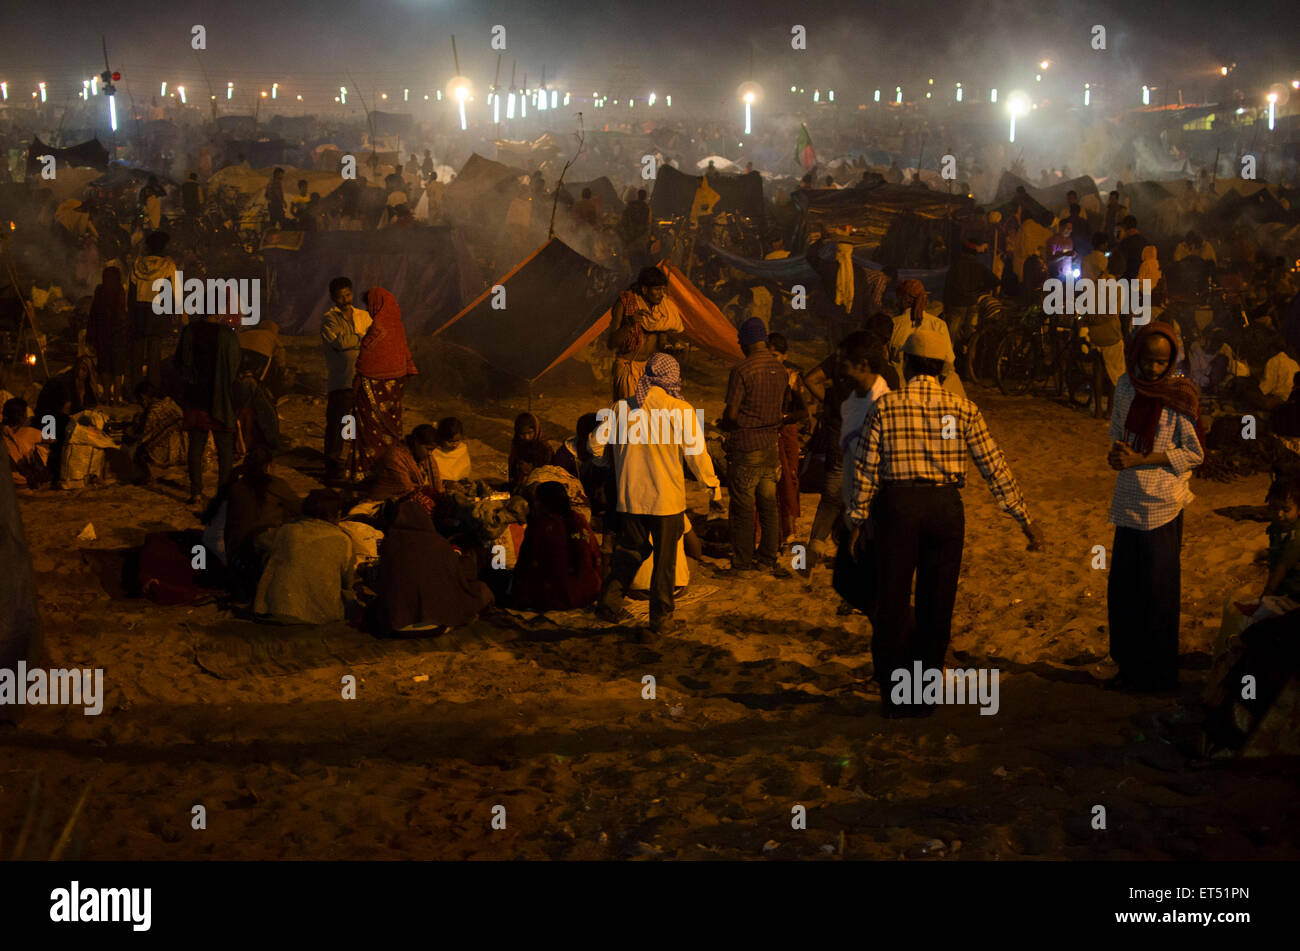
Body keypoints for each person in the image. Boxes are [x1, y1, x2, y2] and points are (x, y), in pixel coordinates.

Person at [845, 330, 1043, 717]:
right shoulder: (963, 408)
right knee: (938, 605)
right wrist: (1024, 518)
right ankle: (922, 698)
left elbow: (865, 470)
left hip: (898, 506)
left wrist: (857, 521)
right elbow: (993, 466)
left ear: (906, 363)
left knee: (893, 603)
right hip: (944, 508)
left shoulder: (885, 407)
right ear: (943, 368)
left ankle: (895, 697)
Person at [589, 353, 721, 635]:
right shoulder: (680, 409)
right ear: (672, 378)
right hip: (665, 499)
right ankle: (661, 619)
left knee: (631, 552)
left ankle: (608, 604)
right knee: (665, 561)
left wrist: (607, 465)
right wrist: (711, 484)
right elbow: (697, 454)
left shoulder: (621, 407)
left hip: (630, 497)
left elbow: (595, 444)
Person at [1105, 322, 1205, 692]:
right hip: (1127, 501)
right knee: (1125, 590)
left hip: (1163, 506)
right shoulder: (1125, 386)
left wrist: (1142, 459)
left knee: (1159, 594)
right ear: (1135, 356)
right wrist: (1117, 455)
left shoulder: (1179, 395)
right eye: (1147, 361)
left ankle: (1159, 676)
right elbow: (1117, 433)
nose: (1152, 369)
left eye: (1160, 362)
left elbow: (1194, 454)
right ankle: (1127, 669)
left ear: (1172, 360)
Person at [720, 318, 791, 574]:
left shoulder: (742, 370)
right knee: (768, 503)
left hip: (747, 444)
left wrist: (725, 424)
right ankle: (768, 558)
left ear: (746, 341)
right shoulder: (781, 369)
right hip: (770, 443)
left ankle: (742, 561)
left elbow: (732, 413)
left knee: (743, 506)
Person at [374, 496, 494, 634]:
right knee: (480, 591)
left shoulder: (389, 544)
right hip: (438, 624)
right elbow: (459, 579)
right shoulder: (439, 543)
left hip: (396, 626)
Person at [253, 489, 353, 624]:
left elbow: (259, 541)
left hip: (277, 610)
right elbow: (347, 581)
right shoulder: (343, 539)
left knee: (271, 555)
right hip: (322, 615)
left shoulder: (287, 531)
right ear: (336, 514)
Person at [173, 308, 241, 505]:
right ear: (218, 312)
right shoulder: (228, 335)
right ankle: (223, 494)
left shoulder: (189, 331)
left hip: (195, 398)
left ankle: (196, 493)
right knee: (225, 450)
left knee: (196, 447)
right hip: (221, 399)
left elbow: (180, 363)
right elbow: (235, 366)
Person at [352, 287, 417, 477]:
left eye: (369, 305)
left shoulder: (378, 329)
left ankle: (369, 471)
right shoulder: (398, 326)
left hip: (372, 384)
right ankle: (392, 468)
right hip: (395, 386)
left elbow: (365, 360)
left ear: (376, 305)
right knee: (391, 426)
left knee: (370, 429)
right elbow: (404, 355)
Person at [512, 480, 604, 611]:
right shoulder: (580, 520)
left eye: (537, 501)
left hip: (555, 598)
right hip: (588, 594)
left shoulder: (540, 525)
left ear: (543, 502)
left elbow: (524, 563)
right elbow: (596, 555)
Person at [225, 445, 301, 598]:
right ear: (268, 466)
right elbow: (300, 508)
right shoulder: (275, 485)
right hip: (257, 550)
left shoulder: (237, 485)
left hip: (234, 551)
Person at [320, 277, 372, 482]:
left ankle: (352, 463)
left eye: (348, 295)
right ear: (333, 298)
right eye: (340, 296)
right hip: (341, 380)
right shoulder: (329, 319)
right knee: (337, 424)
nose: (345, 299)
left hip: (363, 378)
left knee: (356, 423)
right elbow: (341, 343)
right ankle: (333, 467)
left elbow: (373, 338)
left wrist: (355, 339)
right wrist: (362, 337)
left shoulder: (364, 316)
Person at [606, 266, 684, 401]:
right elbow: (611, 343)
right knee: (630, 418)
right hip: (628, 367)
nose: (661, 294)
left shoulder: (661, 307)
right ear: (644, 289)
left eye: (663, 289)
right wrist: (630, 323)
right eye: (657, 289)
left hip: (648, 371)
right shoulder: (625, 304)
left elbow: (661, 341)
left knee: (647, 417)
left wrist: (669, 348)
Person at [767, 333, 810, 546]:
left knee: (789, 480)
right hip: (767, 432)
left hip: (786, 432)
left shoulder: (792, 376)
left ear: (785, 356)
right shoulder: (762, 373)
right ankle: (769, 533)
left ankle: (789, 530)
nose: (771, 359)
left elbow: (803, 412)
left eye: (775, 355)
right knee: (769, 482)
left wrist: (783, 418)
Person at [888, 279, 964, 398]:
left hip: (900, 392)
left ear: (902, 300)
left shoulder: (893, 324)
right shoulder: (938, 325)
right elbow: (948, 363)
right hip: (933, 392)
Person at [128, 231, 179, 390]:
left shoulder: (137, 265)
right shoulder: (168, 265)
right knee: (154, 354)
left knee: (136, 353)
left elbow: (130, 292)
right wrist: (176, 313)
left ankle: (134, 388)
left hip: (138, 313)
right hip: (158, 313)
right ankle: (152, 389)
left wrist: (130, 313)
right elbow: (174, 291)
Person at [124, 381, 185, 483]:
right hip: (182, 445)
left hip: (169, 449)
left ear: (143, 397)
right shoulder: (169, 402)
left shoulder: (154, 409)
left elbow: (145, 433)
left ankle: (146, 476)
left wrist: (131, 432)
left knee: (138, 450)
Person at [942, 239, 999, 346]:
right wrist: (980, 289)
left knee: (950, 337)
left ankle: (949, 360)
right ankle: (968, 356)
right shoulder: (980, 267)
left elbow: (948, 287)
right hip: (972, 303)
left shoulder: (956, 266)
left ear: (963, 252)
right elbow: (995, 281)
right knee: (970, 336)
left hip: (957, 305)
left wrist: (946, 306)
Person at [87, 265, 131, 404]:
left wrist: (91, 336)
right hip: (118, 334)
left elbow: (93, 313)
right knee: (117, 367)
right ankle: (116, 398)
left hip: (103, 333)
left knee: (105, 365)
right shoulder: (120, 291)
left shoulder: (100, 290)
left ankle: (106, 396)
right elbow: (122, 315)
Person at [369, 424, 443, 502]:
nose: (430, 453)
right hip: (387, 501)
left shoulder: (425, 456)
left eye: (432, 450)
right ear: (416, 442)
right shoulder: (396, 457)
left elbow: (437, 484)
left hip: (415, 499)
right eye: (428, 449)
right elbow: (407, 489)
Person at [2, 398, 47, 488]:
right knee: (41, 449)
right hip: (20, 480)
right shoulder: (30, 432)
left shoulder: (3, 431)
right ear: (23, 415)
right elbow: (52, 439)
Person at [508, 413, 551, 488]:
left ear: (536, 430)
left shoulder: (544, 448)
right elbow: (513, 463)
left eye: (530, 433)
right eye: (522, 434)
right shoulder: (517, 443)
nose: (526, 437)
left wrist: (532, 469)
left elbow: (549, 472)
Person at [618, 188, 652, 269]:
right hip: (640, 241)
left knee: (630, 264)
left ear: (637, 196)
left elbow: (622, 222)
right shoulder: (646, 208)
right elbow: (648, 225)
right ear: (645, 197)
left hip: (629, 240)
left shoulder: (629, 207)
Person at [433, 417, 472, 482]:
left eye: (457, 440)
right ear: (441, 438)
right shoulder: (435, 451)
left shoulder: (462, 449)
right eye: (450, 441)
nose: (454, 444)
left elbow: (464, 469)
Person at [1116, 215, 1146, 282]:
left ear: (1124, 227)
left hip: (1128, 280)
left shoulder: (1125, 243)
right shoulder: (1145, 241)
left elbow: (1119, 263)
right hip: (1143, 280)